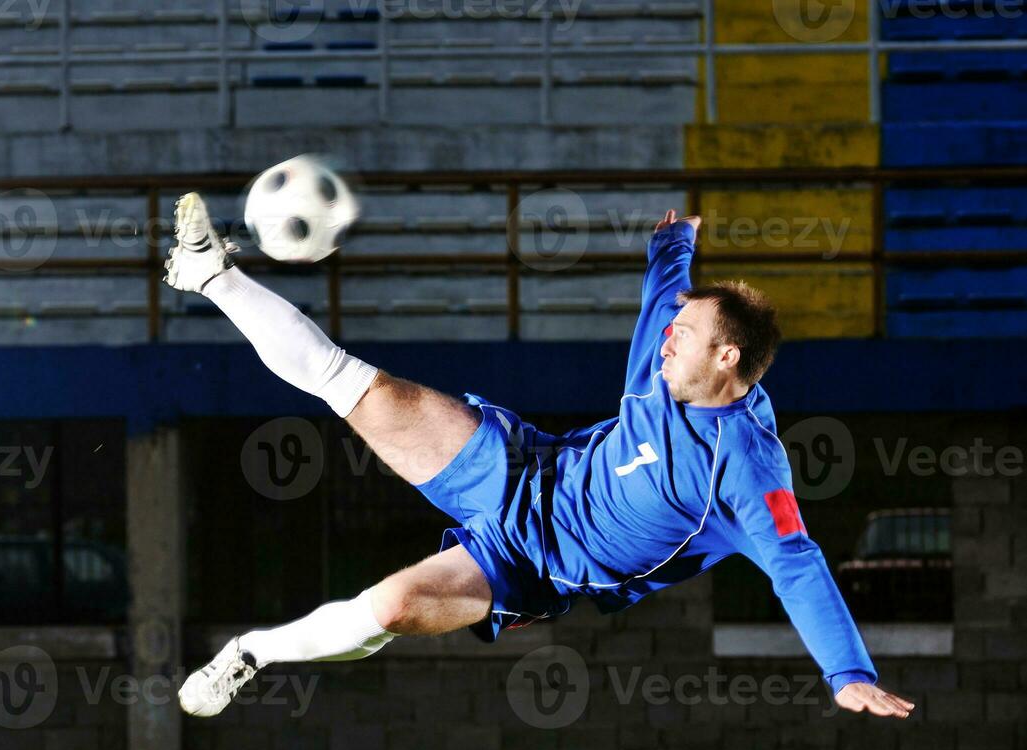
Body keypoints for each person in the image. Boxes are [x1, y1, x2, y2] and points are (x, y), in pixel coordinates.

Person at [164, 192, 914, 722]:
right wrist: (673, 240)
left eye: (683, 336)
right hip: (522, 469)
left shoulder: (746, 466)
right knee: (362, 388)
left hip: (535, 564)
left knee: (391, 606)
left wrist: (847, 673)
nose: (665, 338)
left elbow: (795, 564)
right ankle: (209, 273)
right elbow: (666, 288)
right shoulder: (672, 357)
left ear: (726, 357)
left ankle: (252, 654)